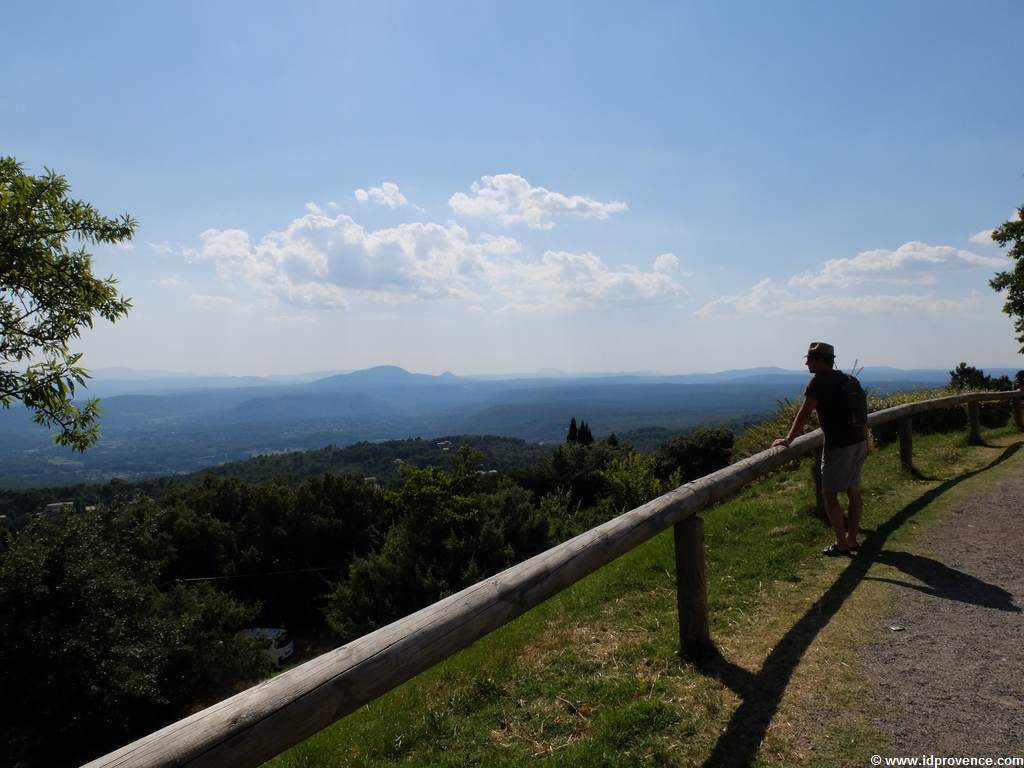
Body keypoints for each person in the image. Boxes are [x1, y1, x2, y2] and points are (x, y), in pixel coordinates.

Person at [772, 342, 869, 556]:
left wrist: (789, 439)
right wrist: (866, 439)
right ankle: (852, 539)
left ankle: (842, 545)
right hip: (858, 441)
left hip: (839, 445)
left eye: (809, 359)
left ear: (819, 360)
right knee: (853, 491)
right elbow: (862, 413)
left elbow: (805, 413)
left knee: (829, 494)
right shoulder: (849, 379)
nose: (807, 363)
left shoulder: (819, 381)